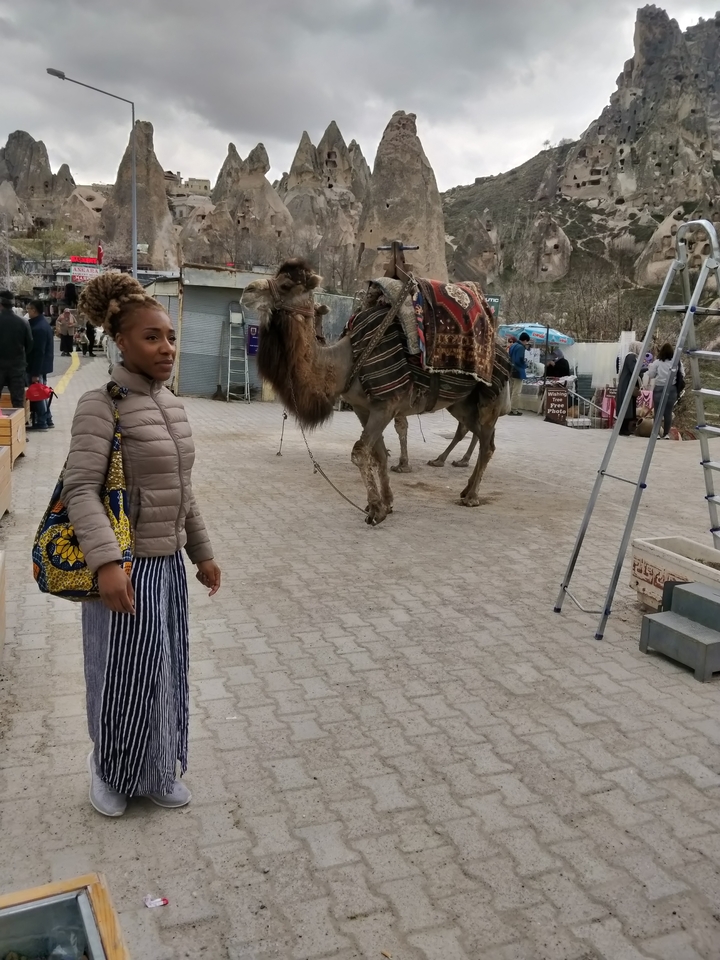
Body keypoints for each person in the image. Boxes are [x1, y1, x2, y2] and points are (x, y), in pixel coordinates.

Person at [62, 273, 221, 817]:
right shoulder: (99, 405)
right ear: (121, 341)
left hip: (168, 569)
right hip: (125, 571)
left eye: (170, 337)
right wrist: (107, 563)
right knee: (119, 676)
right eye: (152, 337)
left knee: (162, 673)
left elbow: (182, 488)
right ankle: (108, 769)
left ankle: (155, 769)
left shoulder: (171, 405)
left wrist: (201, 552)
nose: (167, 348)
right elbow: (80, 489)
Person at [0, 289, 33, 409]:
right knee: (18, 401)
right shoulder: (23, 322)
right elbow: (29, 345)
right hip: (17, 367)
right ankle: (18, 426)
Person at [26, 299, 55, 430]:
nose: (28, 312)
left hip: (38, 367)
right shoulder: (42, 324)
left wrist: (35, 373)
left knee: (38, 393)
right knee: (41, 392)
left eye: (29, 309)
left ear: (34, 310)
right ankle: (47, 418)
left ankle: (42, 421)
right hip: (42, 366)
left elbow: (39, 352)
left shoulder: (39, 328)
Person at [648, 342, 678, 439]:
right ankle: (666, 434)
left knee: (658, 412)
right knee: (668, 412)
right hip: (672, 388)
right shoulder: (676, 362)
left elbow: (651, 375)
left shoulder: (657, 362)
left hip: (659, 388)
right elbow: (682, 374)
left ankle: (655, 433)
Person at [616, 341, 644, 436]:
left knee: (627, 406)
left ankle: (625, 428)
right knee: (626, 407)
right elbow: (634, 371)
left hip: (627, 384)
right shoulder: (631, 357)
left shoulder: (629, 357)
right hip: (627, 385)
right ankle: (623, 429)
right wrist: (647, 368)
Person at [508, 332, 531, 415]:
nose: (526, 343)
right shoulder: (521, 347)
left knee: (510, 390)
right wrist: (525, 365)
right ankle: (514, 409)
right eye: (527, 341)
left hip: (511, 370)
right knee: (516, 392)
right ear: (524, 340)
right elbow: (519, 360)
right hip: (518, 371)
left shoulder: (513, 345)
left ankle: (508, 408)